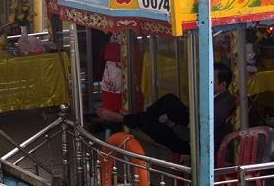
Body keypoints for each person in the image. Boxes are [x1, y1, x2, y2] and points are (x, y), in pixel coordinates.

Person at [97, 62, 235, 154]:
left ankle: (124, 118)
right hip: (190, 123)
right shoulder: (221, 97)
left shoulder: (220, 106)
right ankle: (136, 118)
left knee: (149, 123)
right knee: (170, 99)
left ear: (222, 85)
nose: (206, 82)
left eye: (211, 80)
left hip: (191, 143)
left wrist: (173, 125)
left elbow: (196, 135)